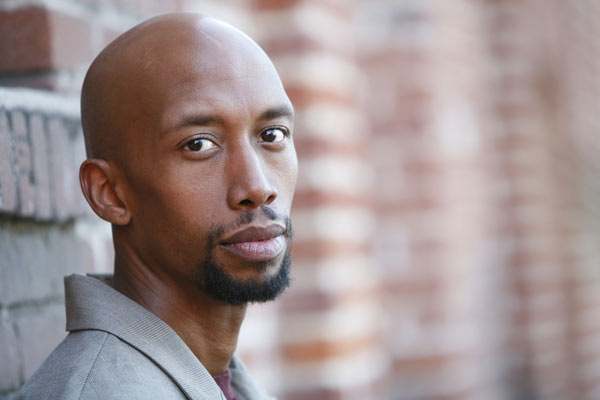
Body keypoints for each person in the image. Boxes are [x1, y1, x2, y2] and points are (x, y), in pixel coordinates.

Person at [13, 12, 297, 400]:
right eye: (199, 144)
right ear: (109, 193)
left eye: (272, 134)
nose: (258, 188)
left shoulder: (218, 376)